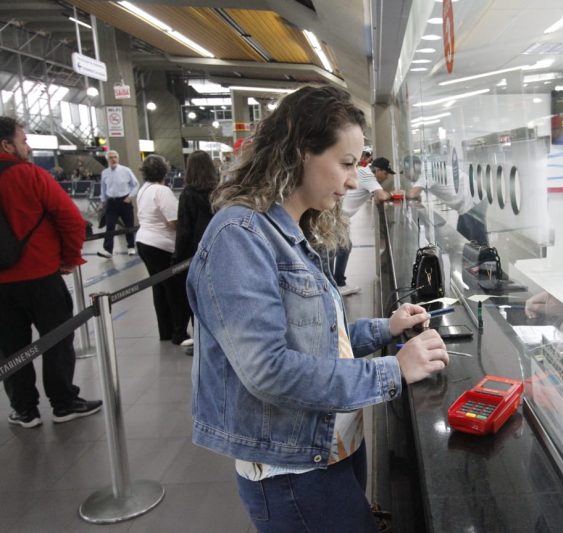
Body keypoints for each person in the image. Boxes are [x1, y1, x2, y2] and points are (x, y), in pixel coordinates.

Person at [187, 85, 449, 532]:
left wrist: (383, 329)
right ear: (299, 153)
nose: (354, 180)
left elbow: (317, 339)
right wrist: (393, 370)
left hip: (331, 447)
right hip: (293, 472)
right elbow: (269, 370)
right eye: (345, 164)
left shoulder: (292, 230)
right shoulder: (240, 236)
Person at [0, 117, 102, 428]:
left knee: (10, 347)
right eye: (23, 140)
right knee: (56, 339)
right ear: (6, 145)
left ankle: (24, 410)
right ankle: (63, 402)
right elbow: (71, 220)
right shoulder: (30, 175)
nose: (28, 146)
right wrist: (69, 258)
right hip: (41, 275)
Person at [135, 154, 190, 345]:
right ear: (164, 171)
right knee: (174, 289)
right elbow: (174, 221)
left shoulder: (143, 189)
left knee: (159, 288)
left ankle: (165, 331)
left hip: (143, 241)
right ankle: (179, 332)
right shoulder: (162, 191)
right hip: (161, 245)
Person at [171, 150, 217, 353]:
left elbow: (184, 229)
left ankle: (199, 341)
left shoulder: (188, 195)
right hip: (217, 249)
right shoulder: (220, 192)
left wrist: (177, 257)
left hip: (193, 254)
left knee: (195, 299)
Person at [331, 155, 394, 296]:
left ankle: (334, 283)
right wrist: (392, 194)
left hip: (337, 214)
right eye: (385, 173)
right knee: (338, 248)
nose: (386, 177)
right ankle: (336, 284)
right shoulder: (368, 176)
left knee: (340, 247)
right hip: (335, 215)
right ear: (378, 170)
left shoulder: (363, 172)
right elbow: (381, 196)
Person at [98, 150, 139, 258]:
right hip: (111, 202)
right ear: (107, 159)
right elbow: (103, 189)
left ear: (118, 158)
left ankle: (131, 247)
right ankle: (108, 251)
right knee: (110, 226)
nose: (113, 159)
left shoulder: (126, 170)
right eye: (111, 157)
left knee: (129, 225)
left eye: (115, 157)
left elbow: (135, 184)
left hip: (124, 201)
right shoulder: (104, 173)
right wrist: (103, 201)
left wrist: (130, 197)